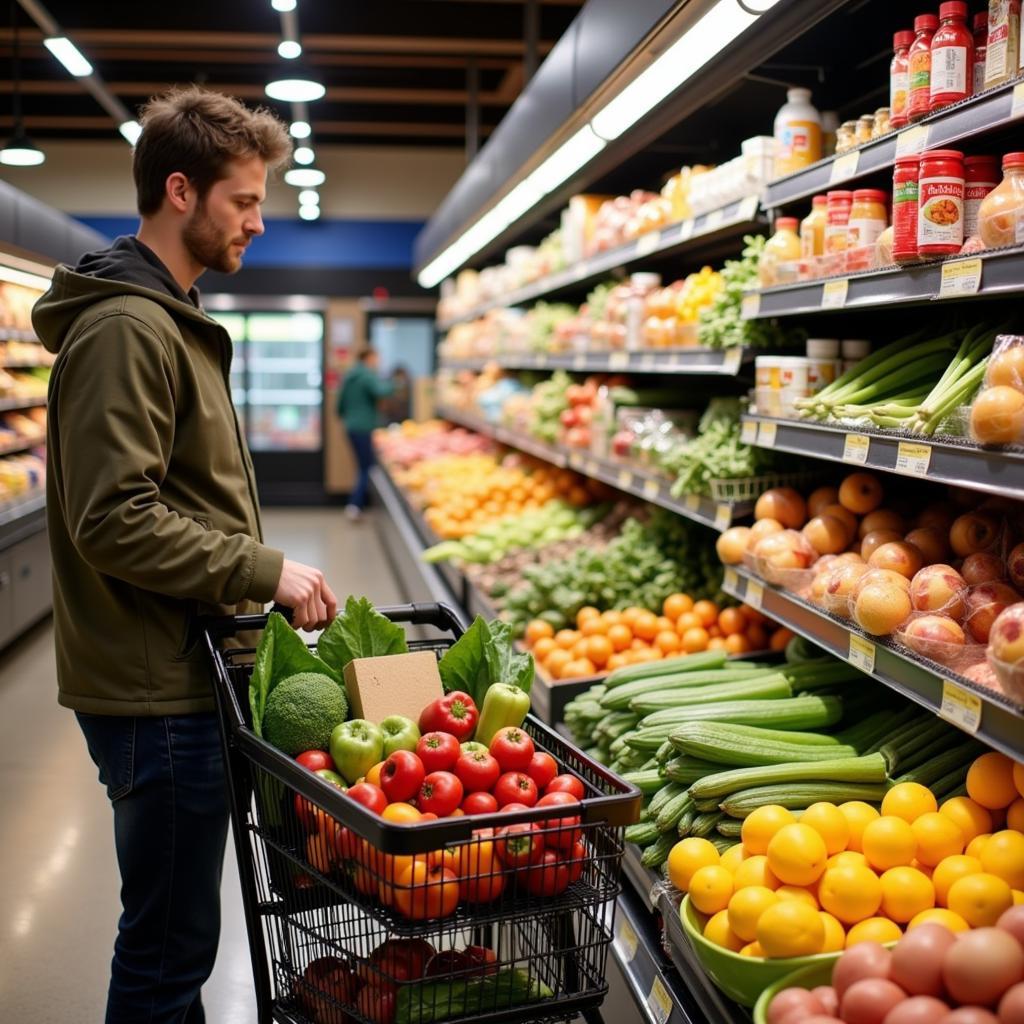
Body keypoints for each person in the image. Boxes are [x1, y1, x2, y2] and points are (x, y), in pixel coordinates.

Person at [33, 86, 338, 1024]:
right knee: (167, 953)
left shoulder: (166, 318)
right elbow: (114, 517)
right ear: (180, 190)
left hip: (176, 667)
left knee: (177, 942)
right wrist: (263, 571)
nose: (258, 223)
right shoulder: (130, 327)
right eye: (244, 201)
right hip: (153, 689)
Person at [337, 347, 393, 520]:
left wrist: (347, 418)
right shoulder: (367, 375)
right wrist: (396, 383)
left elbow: (340, 404)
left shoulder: (350, 375)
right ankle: (355, 505)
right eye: (376, 358)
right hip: (364, 427)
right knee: (365, 467)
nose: (378, 361)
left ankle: (356, 503)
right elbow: (381, 391)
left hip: (351, 426)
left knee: (361, 465)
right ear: (368, 357)